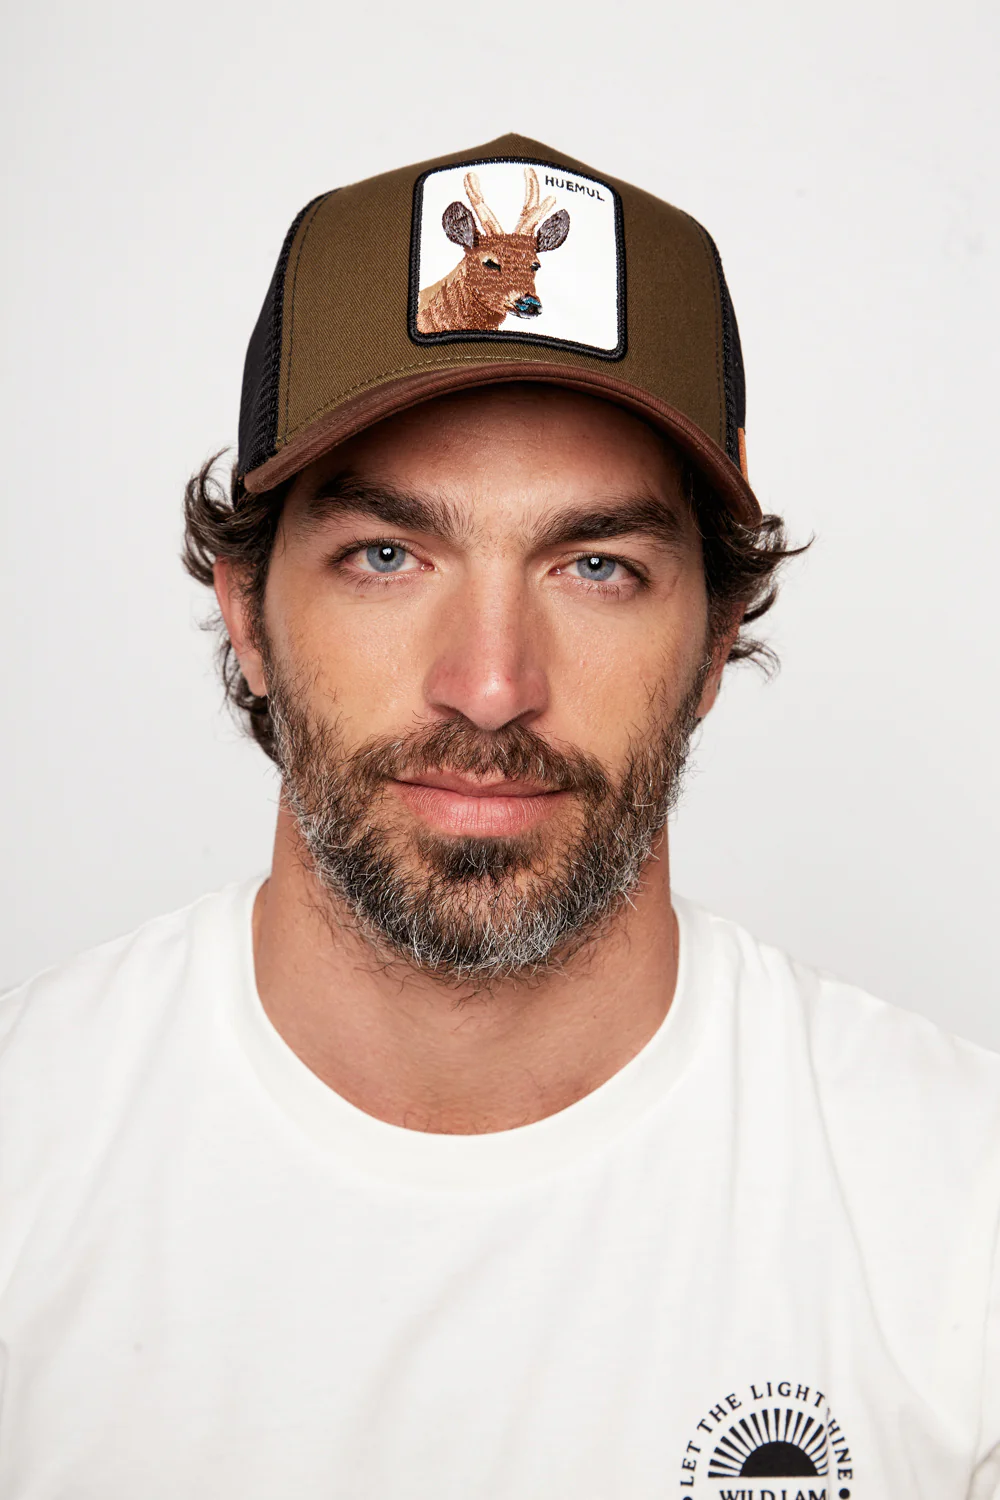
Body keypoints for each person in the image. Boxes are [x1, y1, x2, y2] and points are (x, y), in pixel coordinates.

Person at [1, 134, 997, 1499]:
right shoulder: (29, 1159)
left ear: (715, 637)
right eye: (386, 555)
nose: (489, 684)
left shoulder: (958, 1221)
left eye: (597, 566)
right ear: (246, 610)